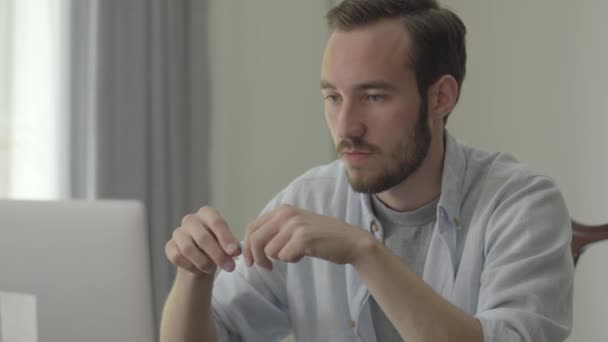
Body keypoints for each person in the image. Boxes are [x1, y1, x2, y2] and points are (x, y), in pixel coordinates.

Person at [160, 0, 574, 341]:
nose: (345, 127)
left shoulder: (521, 203)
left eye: (374, 97)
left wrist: (364, 252)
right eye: (333, 97)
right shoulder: (308, 200)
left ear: (441, 98)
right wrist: (193, 277)